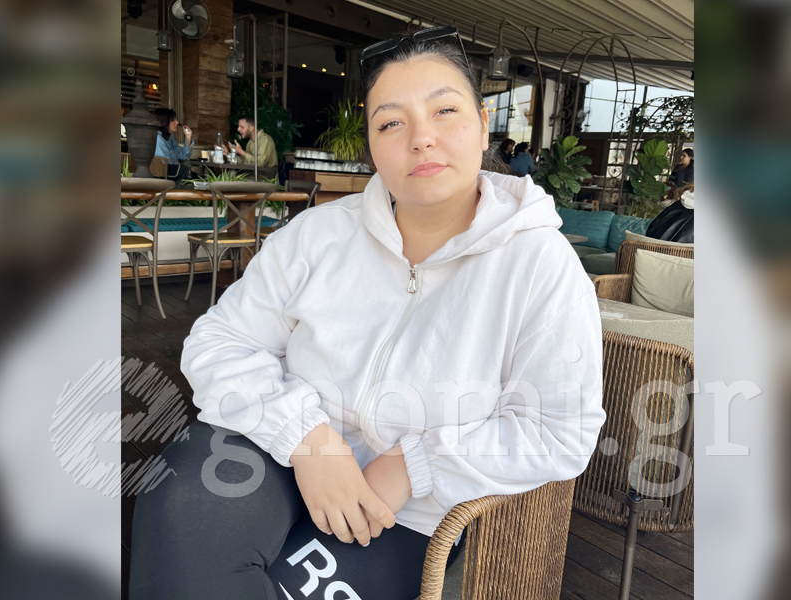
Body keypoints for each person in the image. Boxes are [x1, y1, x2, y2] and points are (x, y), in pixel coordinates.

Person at [129, 24, 606, 600]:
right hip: (272, 446)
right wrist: (308, 438)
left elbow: (558, 428)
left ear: (484, 126)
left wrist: (415, 464)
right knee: (180, 533)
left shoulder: (541, 266)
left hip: (406, 506)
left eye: (445, 111)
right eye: (391, 123)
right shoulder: (317, 234)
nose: (421, 139)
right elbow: (219, 342)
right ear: (372, 145)